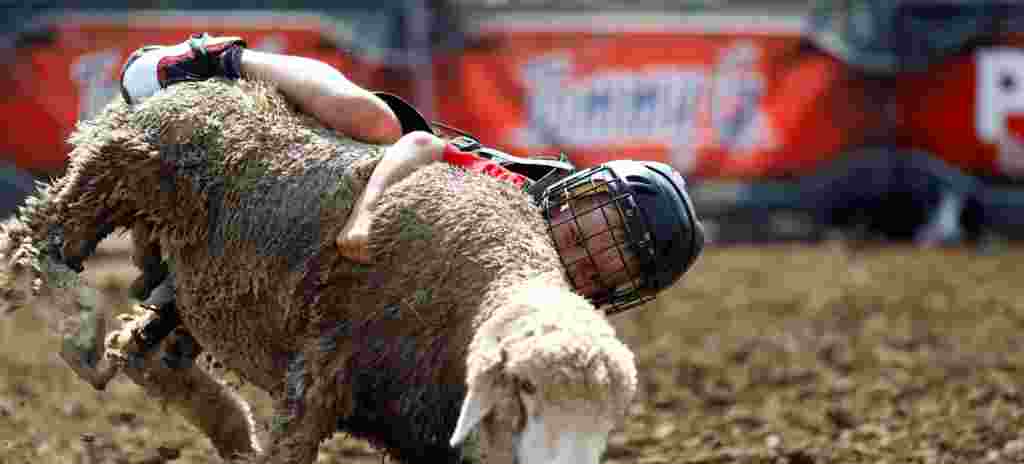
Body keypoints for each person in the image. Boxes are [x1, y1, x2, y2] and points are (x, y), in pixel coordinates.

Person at [119, 34, 703, 314]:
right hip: (393, 182)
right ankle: (212, 60)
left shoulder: (550, 317)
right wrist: (366, 216)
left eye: (595, 268)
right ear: (575, 194)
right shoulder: (515, 196)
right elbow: (419, 145)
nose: (572, 258)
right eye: (580, 237)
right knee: (373, 119)